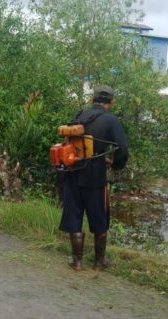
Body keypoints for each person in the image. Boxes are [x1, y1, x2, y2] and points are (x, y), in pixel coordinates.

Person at [59, 85, 128, 271]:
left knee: (74, 216)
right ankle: (99, 263)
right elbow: (122, 150)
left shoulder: (79, 116)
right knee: (99, 216)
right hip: (95, 177)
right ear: (111, 102)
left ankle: (77, 262)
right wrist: (115, 165)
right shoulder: (111, 120)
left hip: (72, 172)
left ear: (93, 99)